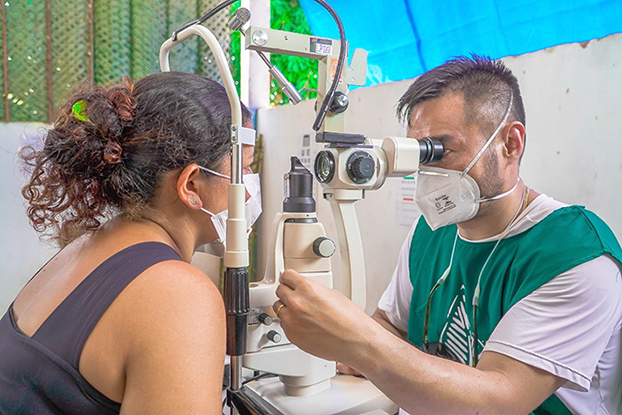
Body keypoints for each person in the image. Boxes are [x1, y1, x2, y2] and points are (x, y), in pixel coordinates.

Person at [272, 55, 622, 414]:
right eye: (418, 154)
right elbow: (390, 325)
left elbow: (499, 401)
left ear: (511, 144)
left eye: (440, 150)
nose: (427, 172)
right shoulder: (431, 232)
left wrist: (357, 341)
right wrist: (345, 340)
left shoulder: (574, 252)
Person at [0, 71, 260, 413]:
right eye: (244, 170)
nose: (252, 187)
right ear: (192, 185)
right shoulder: (178, 296)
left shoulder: (88, 246)